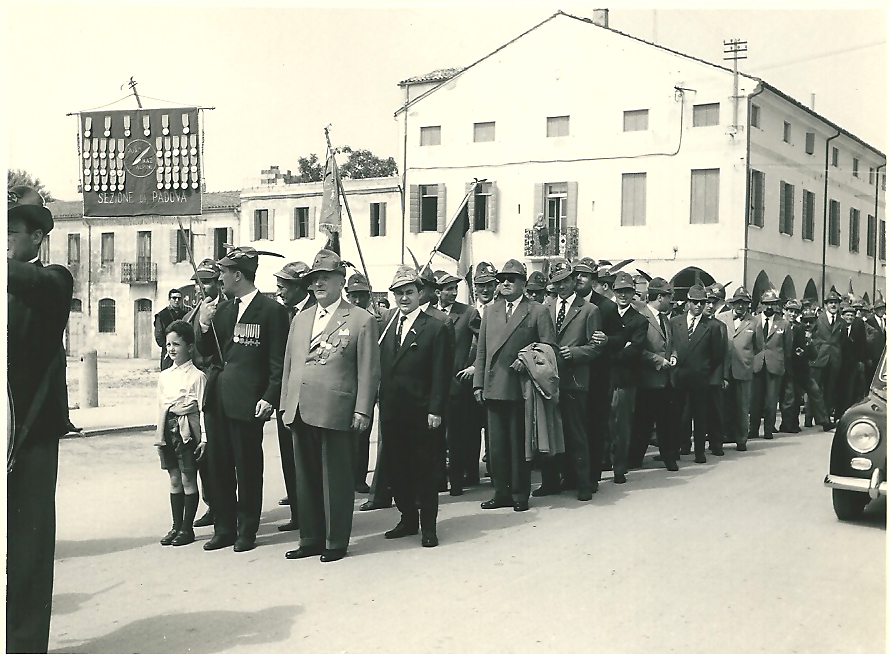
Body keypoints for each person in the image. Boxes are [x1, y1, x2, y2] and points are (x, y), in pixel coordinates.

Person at [281, 249, 380, 563]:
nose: (319, 284)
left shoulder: (361, 319)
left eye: (326, 277)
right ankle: (310, 537)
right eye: (314, 279)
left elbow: (369, 369)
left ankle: (335, 541)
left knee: (335, 480)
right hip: (300, 408)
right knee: (305, 479)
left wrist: (363, 409)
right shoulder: (301, 318)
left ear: (341, 281)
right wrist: (286, 404)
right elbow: (289, 365)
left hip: (336, 409)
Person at [7, 186, 74, 653]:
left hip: (30, 430)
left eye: (10, 234)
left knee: (28, 545)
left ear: (36, 238)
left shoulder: (53, 278)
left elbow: (33, 285)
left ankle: (25, 644)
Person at [196, 246, 290, 553]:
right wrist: (204, 325)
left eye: (224, 272)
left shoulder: (270, 310)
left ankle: (247, 530)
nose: (220, 277)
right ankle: (224, 528)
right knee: (218, 466)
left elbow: (278, 361)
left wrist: (270, 397)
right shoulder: (222, 310)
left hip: (248, 401)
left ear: (239, 275)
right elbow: (207, 353)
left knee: (248, 468)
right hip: (218, 399)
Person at [473, 259, 556, 512]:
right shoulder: (491, 310)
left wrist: (527, 358)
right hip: (494, 386)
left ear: (523, 282)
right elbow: (483, 351)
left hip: (521, 388)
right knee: (496, 446)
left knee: (519, 444)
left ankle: (520, 493)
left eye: (512, 279)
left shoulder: (537, 310)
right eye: (502, 279)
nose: (505, 283)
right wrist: (478, 384)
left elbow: (548, 348)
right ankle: (501, 493)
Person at [379, 267, 451, 547]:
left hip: (421, 412)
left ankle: (428, 526)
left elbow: (441, 373)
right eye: (398, 293)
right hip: (392, 411)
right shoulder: (386, 324)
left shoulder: (435, 326)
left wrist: (436, 409)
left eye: (409, 292)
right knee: (397, 471)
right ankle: (407, 517)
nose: (403, 298)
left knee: (424, 470)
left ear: (420, 294)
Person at [534, 259, 601, 499]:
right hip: (549, 380)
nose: (561, 287)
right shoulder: (545, 307)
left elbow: (596, 347)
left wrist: (575, 353)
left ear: (574, 281)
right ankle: (551, 481)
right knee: (549, 432)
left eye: (565, 281)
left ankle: (583, 483)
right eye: (556, 283)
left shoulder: (589, 310)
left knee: (576, 433)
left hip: (574, 379)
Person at [155, 320, 207, 547]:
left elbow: (204, 410)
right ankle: (175, 526)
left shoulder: (197, 376)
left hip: (187, 431)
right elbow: (160, 405)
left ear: (189, 346)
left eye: (177, 344)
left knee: (187, 477)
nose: (172, 349)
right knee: (174, 477)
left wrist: (204, 438)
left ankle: (187, 528)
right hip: (168, 429)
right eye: (168, 345)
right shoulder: (164, 376)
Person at [183, 258, 224, 529]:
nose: (200, 286)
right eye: (198, 281)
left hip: (212, 384)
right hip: (191, 388)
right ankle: (212, 504)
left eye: (206, 281)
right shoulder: (193, 310)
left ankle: (222, 506)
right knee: (199, 454)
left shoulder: (223, 310)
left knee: (214, 452)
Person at [273, 261, 314, 529]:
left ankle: (313, 516)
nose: (279, 292)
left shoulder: (315, 312)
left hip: (309, 399)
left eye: (283, 287)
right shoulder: (283, 313)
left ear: (300, 287)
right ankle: (298, 515)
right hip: (285, 397)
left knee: (309, 461)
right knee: (289, 457)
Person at [435, 270, 480, 496]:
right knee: (436, 434)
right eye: (448, 289)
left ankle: (457, 481)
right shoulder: (430, 314)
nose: (453, 293)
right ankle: (439, 479)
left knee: (456, 435)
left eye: (455, 288)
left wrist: (475, 366)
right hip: (434, 383)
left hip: (456, 383)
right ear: (437, 292)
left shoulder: (468, 313)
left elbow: (485, 341)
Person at [574, 257, 619, 481]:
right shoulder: (566, 303)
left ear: (593, 280)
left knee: (595, 424)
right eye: (577, 275)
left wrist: (607, 339)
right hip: (573, 375)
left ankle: (592, 477)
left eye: (585, 276)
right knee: (574, 426)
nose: (580, 279)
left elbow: (622, 337)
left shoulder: (607, 306)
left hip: (598, 376)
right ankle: (572, 475)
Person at [669, 284, 722, 464]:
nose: (698, 306)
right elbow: (672, 346)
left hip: (700, 378)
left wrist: (706, 372)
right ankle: (675, 450)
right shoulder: (675, 322)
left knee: (700, 417)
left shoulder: (711, 326)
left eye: (702, 302)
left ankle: (699, 451)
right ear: (688, 302)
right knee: (676, 416)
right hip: (679, 377)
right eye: (695, 302)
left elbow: (717, 355)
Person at [630, 277, 679, 470]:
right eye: (669, 297)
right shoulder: (640, 316)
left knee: (666, 421)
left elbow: (671, 344)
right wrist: (659, 361)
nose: (671, 301)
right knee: (643, 422)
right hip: (648, 380)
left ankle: (668, 457)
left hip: (665, 379)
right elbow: (637, 349)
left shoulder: (664, 319)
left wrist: (673, 356)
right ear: (660, 297)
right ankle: (634, 458)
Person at [608, 272, 649, 483]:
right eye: (619, 291)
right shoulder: (605, 313)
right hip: (605, 379)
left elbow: (635, 349)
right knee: (603, 424)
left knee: (622, 425)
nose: (623, 295)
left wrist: (611, 350)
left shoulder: (639, 320)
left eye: (627, 291)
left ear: (633, 293)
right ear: (614, 292)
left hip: (625, 380)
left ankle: (619, 468)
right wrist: (622, 345)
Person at [344, 271, 375, 494]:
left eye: (362, 295)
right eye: (353, 295)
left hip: (368, 386)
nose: (357, 300)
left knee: (362, 433)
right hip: (345, 384)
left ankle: (359, 477)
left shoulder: (379, 319)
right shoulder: (343, 318)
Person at [748, 290, 792, 441]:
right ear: (761, 305)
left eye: (772, 304)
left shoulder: (784, 323)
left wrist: (782, 364)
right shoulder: (753, 321)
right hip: (757, 364)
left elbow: (788, 348)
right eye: (766, 304)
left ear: (777, 305)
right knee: (755, 400)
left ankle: (768, 430)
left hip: (775, 365)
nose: (769, 307)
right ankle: (753, 429)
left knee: (771, 400)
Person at [718, 287, 757, 450]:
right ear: (732, 303)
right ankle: (723, 436)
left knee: (742, 406)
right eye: (738, 303)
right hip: (724, 368)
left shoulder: (754, 322)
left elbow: (759, 346)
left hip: (743, 368)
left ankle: (741, 438)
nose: (740, 306)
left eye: (744, 303)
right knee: (722, 405)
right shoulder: (721, 318)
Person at [810, 288, 846, 423]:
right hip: (819, 358)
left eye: (835, 303)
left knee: (830, 389)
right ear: (825, 305)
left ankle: (825, 419)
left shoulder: (841, 322)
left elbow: (842, 341)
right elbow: (811, 336)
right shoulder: (818, 319)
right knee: (815, 388)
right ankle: (809, 418)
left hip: (835, 359)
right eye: (830, 302)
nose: (833, 305)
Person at [703, 283, 730, 456]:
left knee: (715, 410)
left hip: (714, 375)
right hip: (695, 374)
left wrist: (724, 376)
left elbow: (725, 353)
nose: (710, 306)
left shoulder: (720, 326)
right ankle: (684, 443)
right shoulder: (690, 323)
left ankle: (716, 442)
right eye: (707, 302)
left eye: (713, 302)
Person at [836, 302, 868, 417]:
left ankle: (848, 413)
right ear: (843, 316)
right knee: (839, 389)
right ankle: (838, 414)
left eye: (852, 316)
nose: (849, 318)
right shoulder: (839, 327)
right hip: (840, 362)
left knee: (851, 389)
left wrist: (861, 360)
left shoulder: (858, 329)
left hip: (853, 364)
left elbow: (862, 345)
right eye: (847, 315)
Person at [155, 288, 188, 370]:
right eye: (174, 298)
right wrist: (168, 347)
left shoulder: (185, 315)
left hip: (182, 353)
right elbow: (159, 336)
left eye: (179, 298)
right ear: (169, 299)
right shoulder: (162, 315)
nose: (177, 300)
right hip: (168, 352)